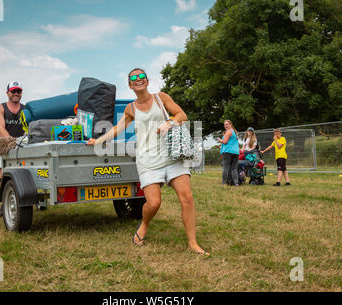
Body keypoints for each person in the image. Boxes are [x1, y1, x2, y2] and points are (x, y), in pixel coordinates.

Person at [87, 68, 208, 256]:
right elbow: (117, 129)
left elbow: (182, 115)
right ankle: (144, 224)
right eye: (133, 78)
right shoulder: (131, 108)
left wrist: (169, 123)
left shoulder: (161, 98)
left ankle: (193, 242)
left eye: (141, 76)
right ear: (129, 85)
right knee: (153, 203)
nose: (138, 79)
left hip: (172, 156)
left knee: (187, 198)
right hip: (148, 161)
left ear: (147, 80)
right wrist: (98, 141)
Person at [0, 81, 26, 216]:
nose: (16, 93)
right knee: (4, 171)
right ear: (7, 93)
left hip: (19, 142)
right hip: (1, 143)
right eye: (13, 91)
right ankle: (4, 203)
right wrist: (11, 142)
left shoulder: (25, 109)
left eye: (19, 91)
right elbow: (0, 128)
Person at [219, 120, 240, 186]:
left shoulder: (228, 131)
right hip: (235, 152)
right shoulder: (234, 132)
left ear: (231, 124)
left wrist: (220, 140)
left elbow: (225, 141)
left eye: (227, 124)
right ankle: (236, 183)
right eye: (225, 125)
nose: (226, 126)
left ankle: (223, 183)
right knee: (234, 169)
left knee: (226, 168)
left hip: (228, 152)